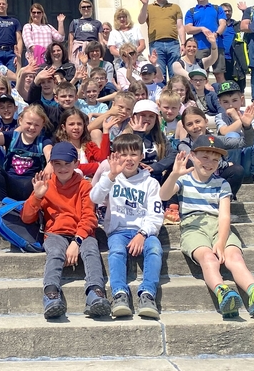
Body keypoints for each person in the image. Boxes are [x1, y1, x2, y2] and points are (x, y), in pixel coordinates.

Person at [161, 143, 254, 319]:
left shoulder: (222, 184)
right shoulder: (183, 180)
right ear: (193, 157)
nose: (209, 162)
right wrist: (174, 174)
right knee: (208, 258)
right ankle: (223, 293)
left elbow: (225, 216)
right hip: (193, 226)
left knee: (235, 257)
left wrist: (220, 241)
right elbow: (163, 195)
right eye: (205, 157)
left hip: (218, 225)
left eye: (215, 159)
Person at [21, 142, 111, 319]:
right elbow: (26, 217)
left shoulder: (85, 186)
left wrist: (76, 242)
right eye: (58, 164)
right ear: (52, 164)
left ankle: (95, 292)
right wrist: (37, 196)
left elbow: (89, 217)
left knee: (91, 250)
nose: (62, 168)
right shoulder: (45, 185)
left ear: (76, 164)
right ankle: (51, 294)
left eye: (67, 164)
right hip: (55, 233)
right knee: (54, 252)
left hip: (82, 233)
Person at [90, 133, 164, 319]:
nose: (128, 159)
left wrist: (142, 233)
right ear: (115, 156)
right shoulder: (111, 178)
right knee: (116, 251)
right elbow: (95, 198)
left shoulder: (150, 183)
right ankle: (119, 294)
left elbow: (155, 215)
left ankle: (147, 294)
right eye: (123, 154)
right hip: (118, 231)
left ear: (141, 156)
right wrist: (111, 176)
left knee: (155, 248)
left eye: (133, 154)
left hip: (144, 232)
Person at [178, 105, 254, 199]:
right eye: (189, 124)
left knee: (237, 170)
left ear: (206, 121)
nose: (195, 126)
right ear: (184, 127)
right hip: (196, 181)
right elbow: (196, 163)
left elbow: (247, 142)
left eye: (198, 121)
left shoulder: (216, 140)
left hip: (217, 178)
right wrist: (226, 164)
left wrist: (247, 126)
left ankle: (226, 201)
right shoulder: (184, 144)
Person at [0, 98, 52, 203]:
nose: (32, 127)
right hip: (11, 183)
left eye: (37, 125)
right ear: (20, 121)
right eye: (28, 123)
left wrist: (50, 164)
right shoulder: (12, 137)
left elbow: (49, 153)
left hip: (31, 186)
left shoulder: (44, 141)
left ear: (42, 126)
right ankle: (3, 206)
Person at [215, 80, 254, 184]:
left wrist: (246, 122)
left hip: (248, 159)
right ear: (220, 102)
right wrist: (239, 119)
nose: (231, 105)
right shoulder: (220, 117)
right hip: (233, 165)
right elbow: (224, 132)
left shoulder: (249, 114)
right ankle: (231, 174)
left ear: (242, 99)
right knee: (232, 135)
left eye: (234, 100)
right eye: (225, 102)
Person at [137, 0, 185, 80]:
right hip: (156, 44)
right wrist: (145, 5)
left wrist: (183, 43)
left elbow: (180, 27)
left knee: (175, 74)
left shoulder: (175, 7)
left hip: (173, 43)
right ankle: (161, 94)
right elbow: (141, 20)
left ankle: (175, 94)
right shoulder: (149, 7)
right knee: (159, 74)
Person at [184, 0, 228, 82]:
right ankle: (204, 96)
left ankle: (223, 97)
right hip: (199, 47)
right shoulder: (191, 11)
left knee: (219, 74)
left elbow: (223, 24)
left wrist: (215, 34)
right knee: (201, 74)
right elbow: (188, 29)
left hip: (217, 45)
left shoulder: (217, 8)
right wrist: (201, 28)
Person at [54, 108, 109, 179]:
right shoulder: (60, 147)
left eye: (79, 124)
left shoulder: (89, 145)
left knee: (107, 164)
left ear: (84, 126)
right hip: (71, 184)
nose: (76, 127)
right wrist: (97, 165)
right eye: (71, 124)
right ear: (63, 127)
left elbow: (103, 158)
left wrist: (106, 131)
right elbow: (72, 168)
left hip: (90, 182)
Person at [68, 0, 102, 65]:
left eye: (88, 7)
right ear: (80, 9)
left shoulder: (98, 23)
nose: (86, 9)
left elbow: (100, 41)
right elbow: (70, 41)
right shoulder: (74, 22)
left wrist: (101, 55)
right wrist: (70, 56)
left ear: (92, 8)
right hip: (80, 49)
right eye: (83, 7)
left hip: (93, 49)